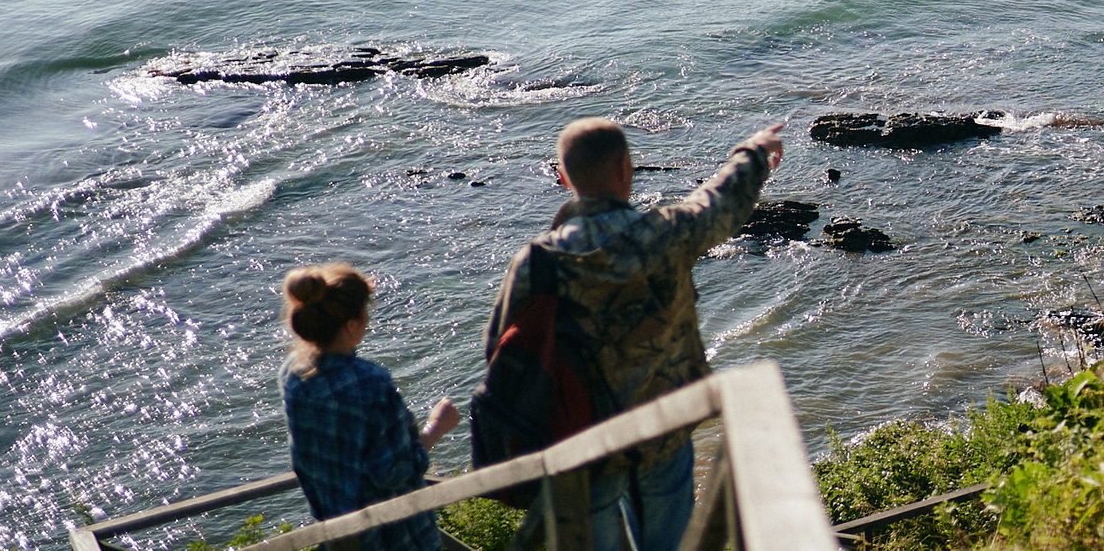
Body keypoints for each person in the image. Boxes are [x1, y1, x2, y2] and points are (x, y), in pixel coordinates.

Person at [487, 118, 783, 551]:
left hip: (587, 440)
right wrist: (754, 152)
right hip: (664, 428)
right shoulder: (664, 233)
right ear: (626, 168)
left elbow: (499, 346)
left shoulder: (537, 261)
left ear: (564, 176)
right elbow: (719, 203)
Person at [280, 263, 460, 551]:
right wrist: (436, 428)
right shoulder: (368, 382)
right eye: (366, 313)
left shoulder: (294, 374)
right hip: (391, 536)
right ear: (351, 325)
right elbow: (393, 470)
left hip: (336, 533)